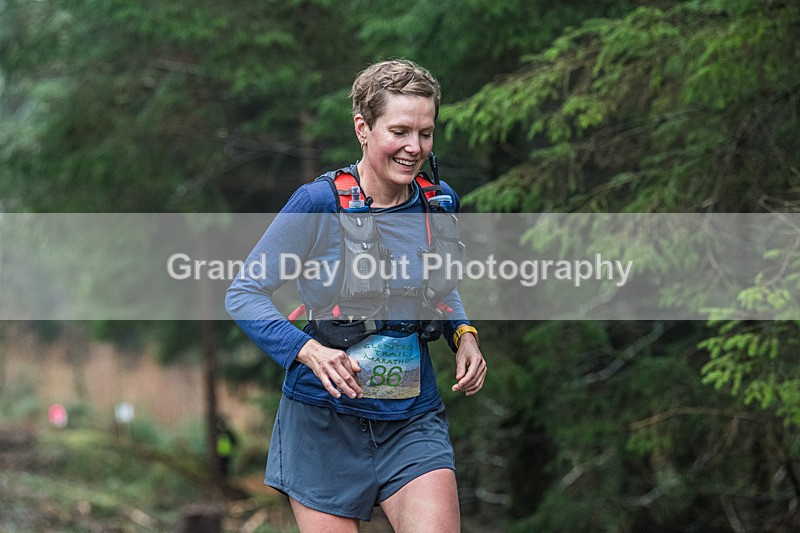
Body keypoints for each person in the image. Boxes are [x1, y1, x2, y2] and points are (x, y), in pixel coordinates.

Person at [226, 59, 486, 532]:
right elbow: (244, 293)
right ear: (363, 128)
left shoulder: (438, 202)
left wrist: (463, 334)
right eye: (400, 131)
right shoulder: (317, 203)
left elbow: (439, 286)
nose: (415, 148)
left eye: (425, 133)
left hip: (411, 418)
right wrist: (308, 351)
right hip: (324, 422)